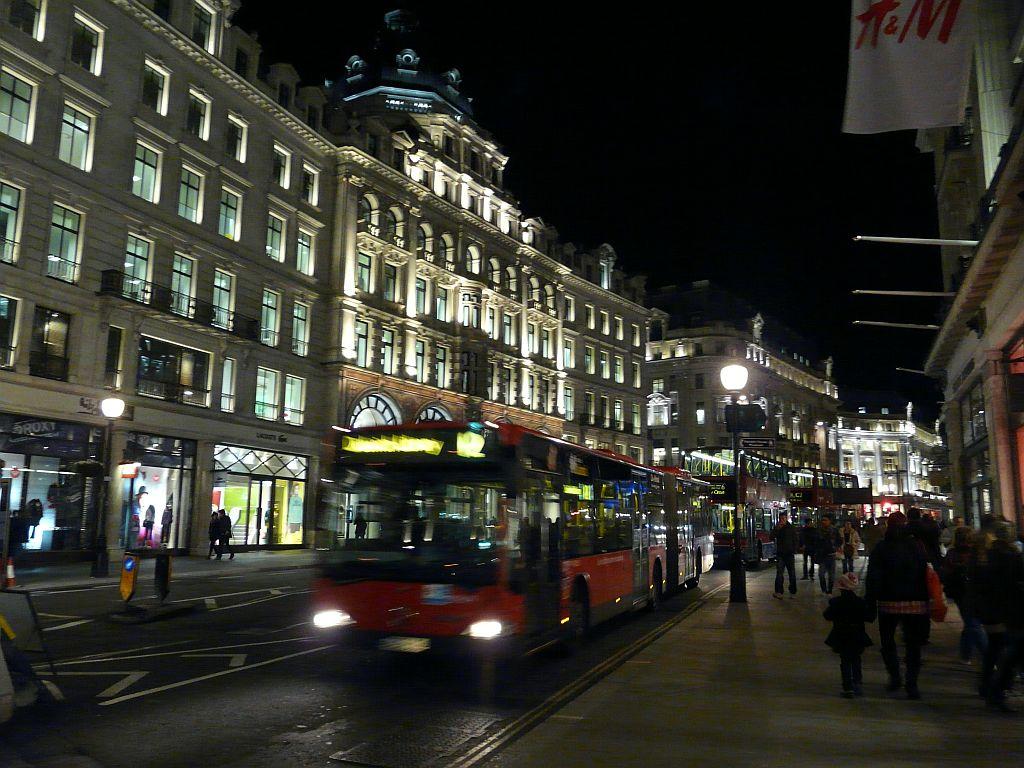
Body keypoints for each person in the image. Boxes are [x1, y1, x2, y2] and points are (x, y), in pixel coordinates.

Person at [865, 510, 931, 699]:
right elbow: (924, 574)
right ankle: (912, 683)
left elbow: (873, 578)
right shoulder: (916, 547)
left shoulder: (881, 548)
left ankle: (894, 676)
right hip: (914, 603)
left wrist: (870, 602)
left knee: (888, 642)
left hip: (888, 602)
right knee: (913, 645)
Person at [972, 520, 1024, 712]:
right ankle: (996, 689)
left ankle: (990, 686)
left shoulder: (988, 555)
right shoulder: (1011, 557)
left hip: (994, 611)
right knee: (1012, 651)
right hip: (1010, 612)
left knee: (998, 649)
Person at [940, 525, 987, 665]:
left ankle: (966, 654)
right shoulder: (977, 552)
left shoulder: (954, 553)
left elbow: (945, 573)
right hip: (968, 592)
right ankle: (988, 656)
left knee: (970, 624)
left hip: (961, 592)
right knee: (973, 624)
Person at [823, 572, 873, 698]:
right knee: (856, 659)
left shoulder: (836, 602)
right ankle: (857, 683)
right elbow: (869, 617)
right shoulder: (860, 602)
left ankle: (847, 687)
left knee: (845, 661)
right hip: (857, 634)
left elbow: (827, 616)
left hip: (841, 634)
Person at [770, 512, 798, 599]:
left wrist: (794, 549)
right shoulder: (778, 527)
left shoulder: (791, 528)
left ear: (786, 519)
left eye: (783, 518)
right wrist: (776, 529)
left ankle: (792, 591)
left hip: (789, 554)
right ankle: (779, 591)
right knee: (779, 573)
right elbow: (771, 537)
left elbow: (796, 539)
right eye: (781, 519)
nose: (782, 520)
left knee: (792, 574)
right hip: (780, 554)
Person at [815, 515, 842, 595]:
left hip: (831, 555)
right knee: (821, 574)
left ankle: (829, 590)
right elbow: (815, 541)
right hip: (822, 555)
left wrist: (835, 547)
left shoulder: (834, 530)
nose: (823, 522)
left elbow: (839, 540)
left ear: (829, 521)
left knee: (831, 575)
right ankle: (824, 589)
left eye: (825, 520)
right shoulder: (819, 531)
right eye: (822, 520)